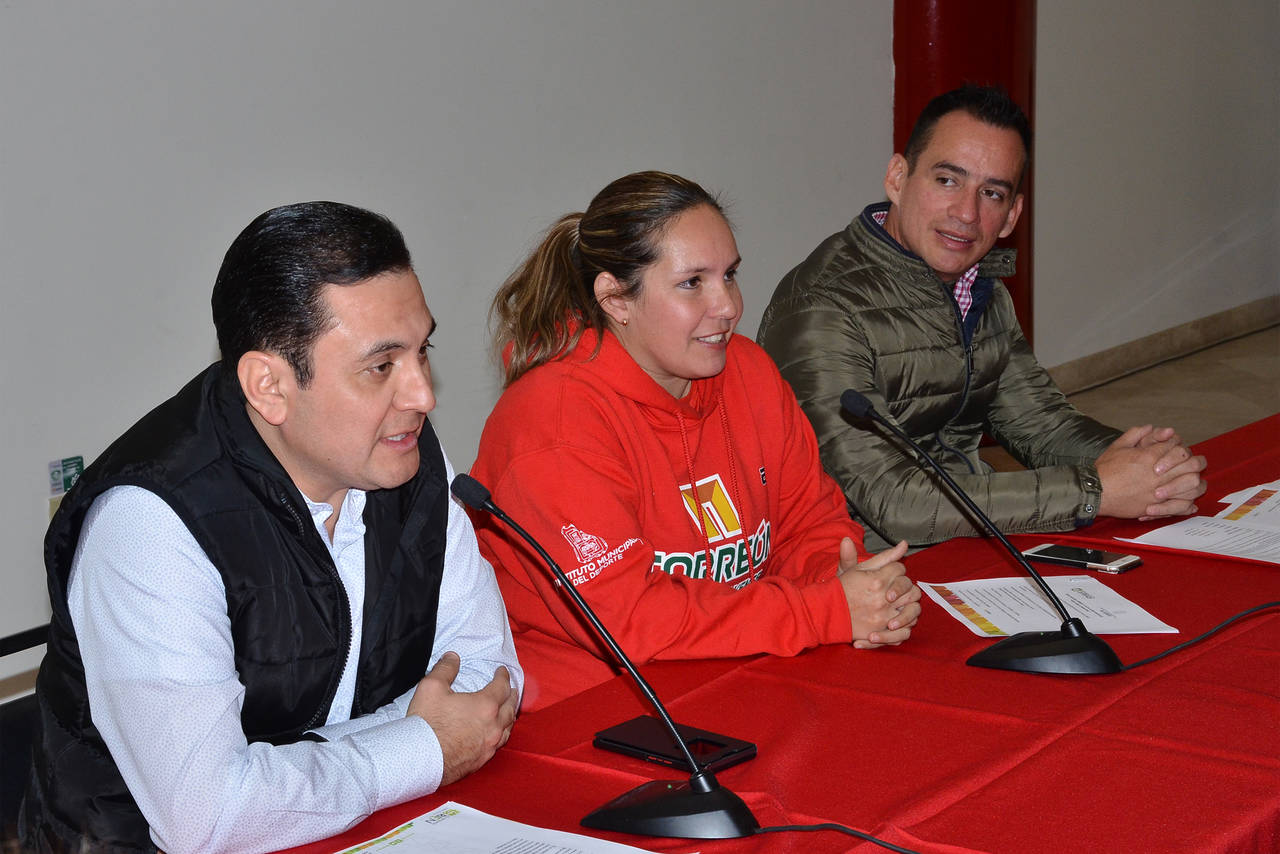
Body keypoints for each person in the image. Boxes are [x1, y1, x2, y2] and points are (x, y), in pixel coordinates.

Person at [22, 202, 522, 853]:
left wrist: (300, 778)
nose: (423, 395)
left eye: (421, 350)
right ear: (269, 387)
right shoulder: (152, 525)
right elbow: (206, 816)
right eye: (381, 366)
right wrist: (418, 744)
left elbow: (488, 683)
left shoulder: (407, 459)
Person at [469, 171, 921, 712]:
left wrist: (847, 582)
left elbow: (811, 524)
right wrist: (821, 612)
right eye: (693, 283)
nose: (728, 305)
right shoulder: (553, 424)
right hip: (592, 707)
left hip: (743, 669)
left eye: (729, 275)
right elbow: (630, 620)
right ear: (615, 299)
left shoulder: (749, 371)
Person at [757, 85, 1207, 552]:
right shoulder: (822, 309)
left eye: (991, 193)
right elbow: (897, 502)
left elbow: (1042, 425)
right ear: (897, 178)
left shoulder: (978, 289)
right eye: (947, 180)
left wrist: (1150, 467)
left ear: (1011, 215)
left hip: (970, 535)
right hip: (864, 564)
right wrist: (1095, 490)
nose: (966, 213)